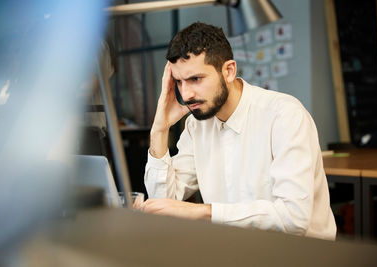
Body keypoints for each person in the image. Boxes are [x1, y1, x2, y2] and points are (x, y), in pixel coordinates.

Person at [140, 22, 336, 240]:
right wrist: (160, 129)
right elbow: (163, 202)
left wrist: (203, 212)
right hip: (236, 252)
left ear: (229, 71)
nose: (186, 95)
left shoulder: (285, 116)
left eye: (195, 79)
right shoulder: (197, 125)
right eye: (179, 82)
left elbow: (293, 218)